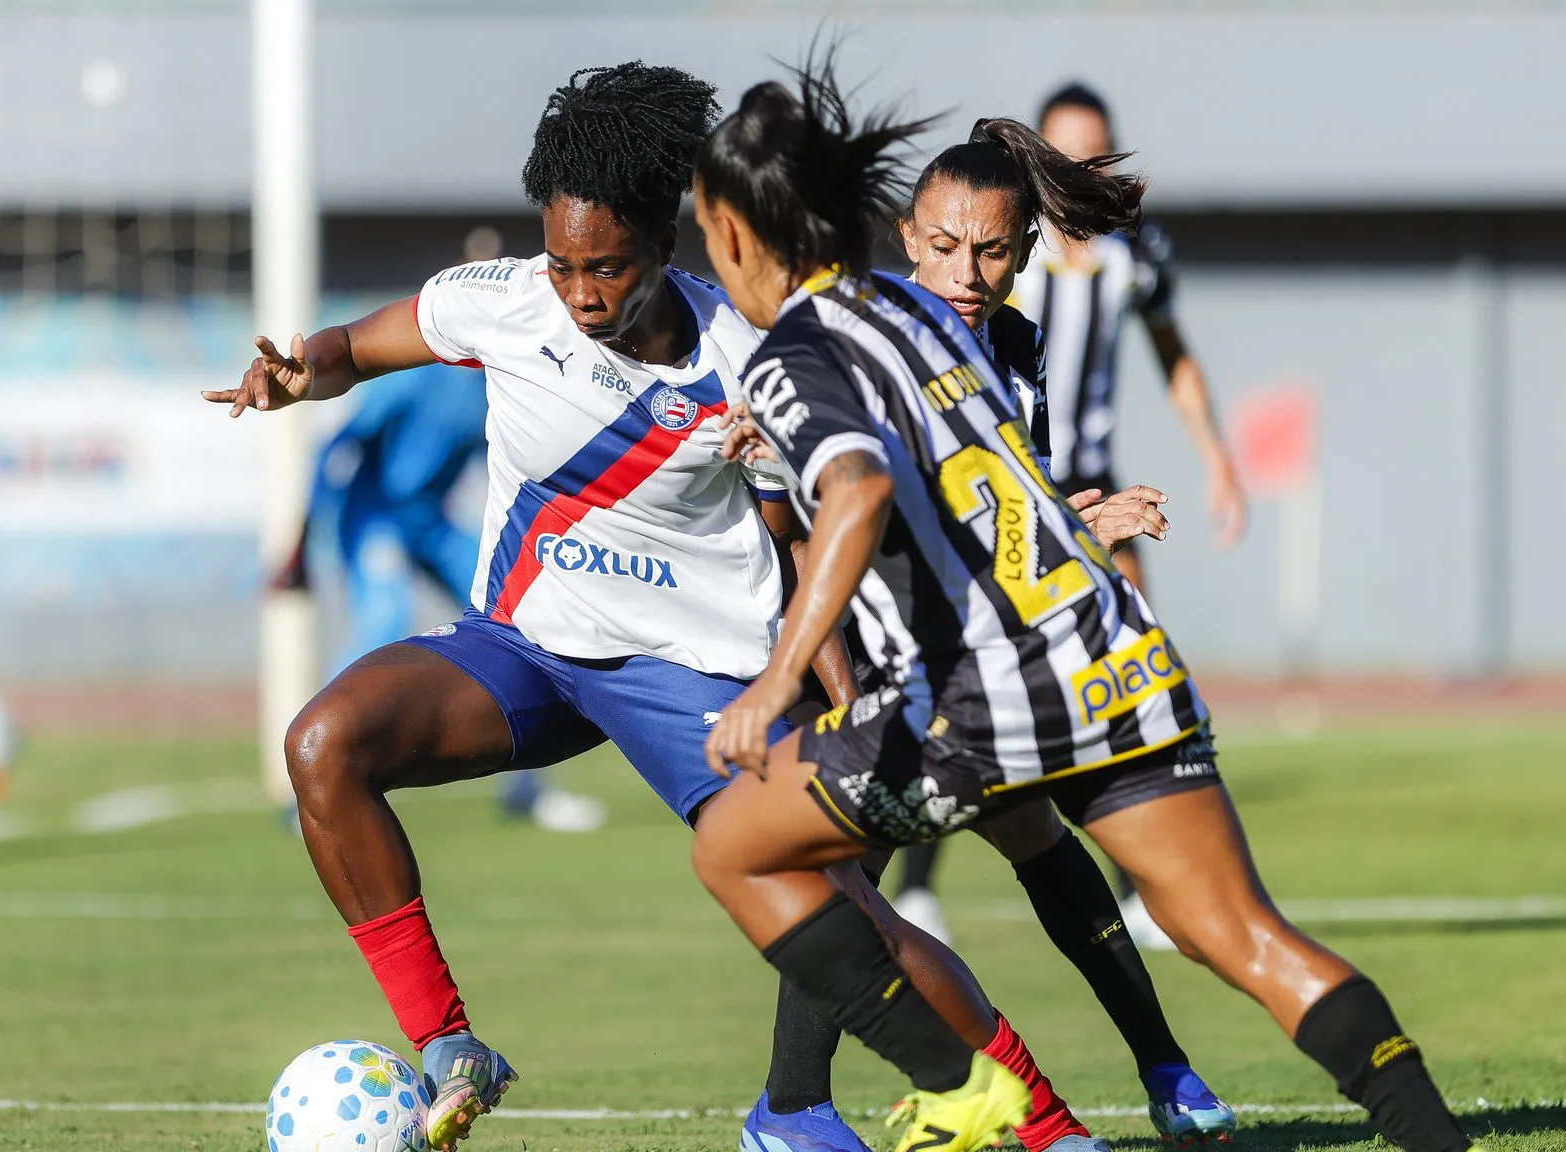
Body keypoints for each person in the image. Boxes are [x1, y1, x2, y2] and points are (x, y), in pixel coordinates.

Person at [207, 62, 1108, 1152]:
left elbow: (805, 537)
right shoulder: (502, 303)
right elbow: (358, 346)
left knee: (845, 909)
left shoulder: (744, 358)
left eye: (606, 267)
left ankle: (1051, 1130)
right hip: (526, 651)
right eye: (561, 264)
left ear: (662, 245)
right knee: (323, 745)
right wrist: (296, 369)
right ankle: (451, 1049)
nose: (579, 293)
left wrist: (844, 704)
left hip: (690, 677)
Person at [691, 58, 1487, 1152]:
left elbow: (865, 490)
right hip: (1116, 654)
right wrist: (1083, 526)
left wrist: (779, 678)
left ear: (730, 233)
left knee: (736, 848)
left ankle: (956, 1094)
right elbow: (984, 491)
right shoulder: (932, 328)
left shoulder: (804, 347)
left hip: (971, 694)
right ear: (888, 227)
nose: (968, 268)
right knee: (1242, 936)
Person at [884, 122, 1235, 1145]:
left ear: (1024, 252)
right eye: (944, 245)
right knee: (832, 887)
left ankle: (1162, 1073)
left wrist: (1076, 522)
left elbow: (1005, 509)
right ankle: (796, 1109)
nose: (965, 270)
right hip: (864, 647)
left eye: (990, 250)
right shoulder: (867, 338)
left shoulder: (1014, 345)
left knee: (1023, 843)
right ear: (907, 236)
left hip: (964, 644)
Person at [1013, 83, 1250, 953]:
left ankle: (1141, 884)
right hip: (1019, 488)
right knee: (994, 664)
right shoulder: (1006, 243)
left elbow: (1173, 356)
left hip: (1103, 489)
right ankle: (918, 883)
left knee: (1132, 668)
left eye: (1095, 154)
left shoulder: (1135, 252)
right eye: (1064, 153)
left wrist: (1219, 460)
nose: (1079, 169)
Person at [269, 230, 605, 836]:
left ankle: (527, 789)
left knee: (524, 619)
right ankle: (316, 784)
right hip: (376, 514)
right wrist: (298, 541)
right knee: (382, 622)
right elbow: (337, 445)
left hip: (427, 519)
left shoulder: (503, 376)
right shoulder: (421, 369)